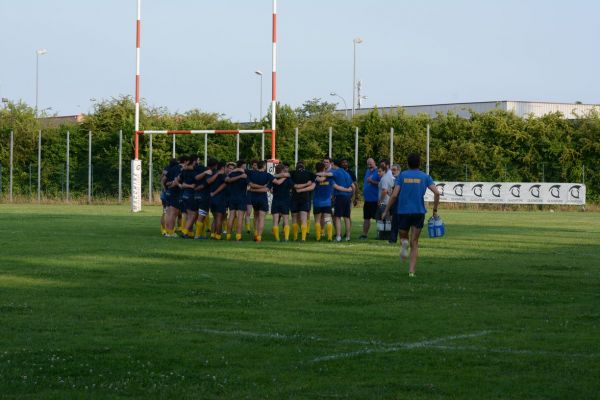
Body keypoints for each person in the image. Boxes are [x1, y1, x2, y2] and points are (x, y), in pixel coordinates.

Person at [383, 153, 440, 277]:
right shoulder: (425, 177)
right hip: (418, 211)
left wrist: (386, 210)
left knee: (404, 237)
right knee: (414, 242)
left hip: (403, 211)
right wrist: (434, 210)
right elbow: (437, 193)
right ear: (419, 163)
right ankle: (411, 271)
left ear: (408, 163)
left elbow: (394, 195)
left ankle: (403, 243)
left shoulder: (402, 176)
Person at [247, 160, 273, 242]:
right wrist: (262, 187)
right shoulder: (268, 175)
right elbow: (266, 189)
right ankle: (259, 236)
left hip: (253, 198)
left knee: (255, 216)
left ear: (257, 166)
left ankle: (255, 233)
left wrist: (253, 190)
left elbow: (250, 185)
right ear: (264, 166)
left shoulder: (251, 174)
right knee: (262, 218)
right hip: (262, 199)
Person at [290, 161, 315, 241]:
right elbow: (317, 178)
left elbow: (284, 176)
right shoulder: (309, 173)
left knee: (294, 218)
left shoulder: (292, 173)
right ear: (304, 167)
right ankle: (303, 238)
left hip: (294, 198)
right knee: (304, 218)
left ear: (296, 166)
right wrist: (307, 184)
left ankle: (295, 237)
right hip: (305, 198)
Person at [330, 159, 354, 242]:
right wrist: (350, 194)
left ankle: (338, 237)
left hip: (340, 197)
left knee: (337, 217)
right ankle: (348, 237)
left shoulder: (335, 173)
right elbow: (353, 186)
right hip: (347, 198)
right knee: (347, 217)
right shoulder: (346, 173)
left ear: (333, 164)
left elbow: (335, 186)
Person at [225, 160, 249, 241]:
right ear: (242, 166)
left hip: (232, 198)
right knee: (240, 218)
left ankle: (228, 236)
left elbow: (227, 180)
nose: (245, 168)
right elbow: (249, 184)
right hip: (241, 198)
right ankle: (238, 236)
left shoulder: (232, 173)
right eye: (245, 166)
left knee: (231, 217)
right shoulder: (245, 175)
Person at [270, 164, 293, 241]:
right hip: (285, 201)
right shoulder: (288, 179)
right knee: (286, 221)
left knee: (275, 221)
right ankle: (286, 238)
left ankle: (277, 239)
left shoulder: (273, 178)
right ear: (282, 170)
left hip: (276, 201)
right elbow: (292, 187)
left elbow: (270, 190)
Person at [179, 155, 200, 238]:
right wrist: (190, 186)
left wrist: (184, 185)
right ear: (194, 161)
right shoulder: (194, 171)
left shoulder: (184, 171)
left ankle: (189, 232)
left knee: (189, 214)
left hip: (184, 195)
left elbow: (178, 180)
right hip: (191, 195)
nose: (198, 162)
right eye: (197, 160)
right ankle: (185, 232)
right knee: (193, 215)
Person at [360, 157, 380, 239]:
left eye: (371, 163)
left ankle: (380, 235)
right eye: (368, 164)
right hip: (367, 200)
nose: (369, 165)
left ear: (374, 162)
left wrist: (372, 181)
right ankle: (364, 235)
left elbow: (381, 184)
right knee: (366, 218)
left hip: (375, 200)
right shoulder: (367, 171)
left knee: (378, 219)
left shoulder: (378, 171)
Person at [207, 162, 228, 240]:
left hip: (212, 199)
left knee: (215, 218)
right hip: (220, 198)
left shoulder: (212, 174)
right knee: (219, 218)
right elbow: (224, 184)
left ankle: (212, 234)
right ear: (223, 168)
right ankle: (218, 235)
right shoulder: (222, 175)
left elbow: (208, 182)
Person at [388, 163, 401, 243]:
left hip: (399, 203)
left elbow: (395, 194)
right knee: (394, 222)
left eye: (394, 170)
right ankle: (393, 239)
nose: (392, 171)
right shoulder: (395, 179)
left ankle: (393, 239)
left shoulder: (399, 179)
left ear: (399, 170)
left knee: (396, 222)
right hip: (395, 203)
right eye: (391, 170)